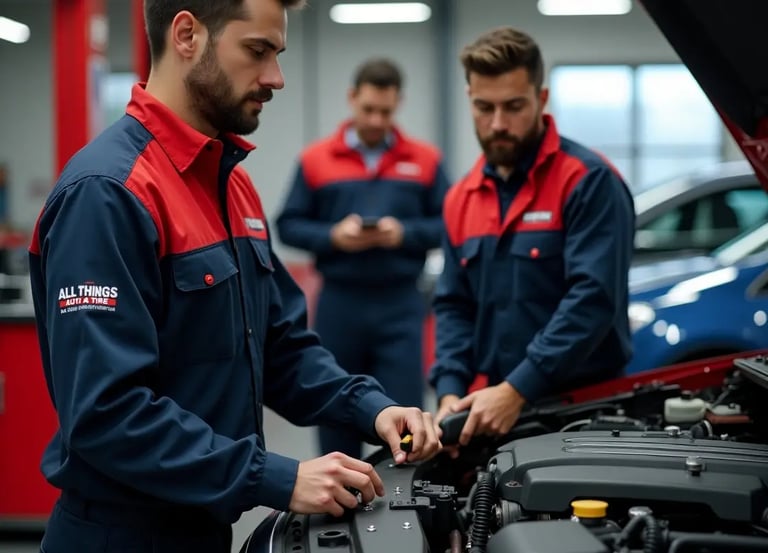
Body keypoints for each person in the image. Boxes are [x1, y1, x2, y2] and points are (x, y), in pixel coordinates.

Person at [28, 2, 440, 552]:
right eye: (257, 51)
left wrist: (374, 408)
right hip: (121, 535)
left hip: (203, 527)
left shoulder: (232, 186)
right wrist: (278, 478)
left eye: (278, 53)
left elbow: (281, 346)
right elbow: (108, 414)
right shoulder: (109, 193)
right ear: (186, 35)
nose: (276, 77)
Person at [430, 27, 635, 449]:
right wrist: (450, 390)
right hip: (490, 410)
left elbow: (592, 300)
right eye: (484, 107)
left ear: (541, 100)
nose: (498, 123)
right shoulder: (460, 198)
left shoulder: (587, 182)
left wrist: (519, 388)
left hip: (582, 412)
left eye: (514, 106)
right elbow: (453, 305)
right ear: (469, 98)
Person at [276, 58, 451, 458]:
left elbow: (450, 224)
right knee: (334, 407)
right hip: (340, 303)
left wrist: (403, 233)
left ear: (398, 104)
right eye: (368, 109)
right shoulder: (316, 159)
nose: (375, 119)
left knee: (405, 415)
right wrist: (333, 236)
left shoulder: (425, 161)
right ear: (352, 98)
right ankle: (340, 501)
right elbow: (288, 225)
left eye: (385, 112)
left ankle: (402, 508)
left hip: (401, 304)